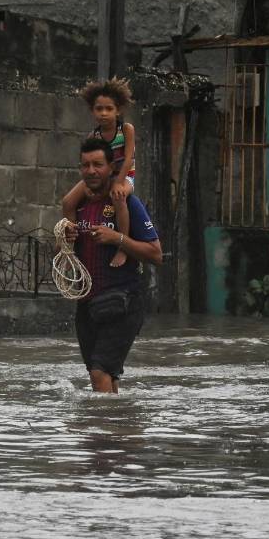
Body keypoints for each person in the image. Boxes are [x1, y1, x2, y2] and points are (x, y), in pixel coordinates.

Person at [64, 137, 163, 393]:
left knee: (100, 372)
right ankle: (116, 429)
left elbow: (155, 253)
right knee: (104, 375)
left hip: (123, 300)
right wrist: (64, 240)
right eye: (85, 165)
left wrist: (117, 238)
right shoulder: (79, 205)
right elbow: (61, 252)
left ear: (111, 168)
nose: (91, 171)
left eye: (98, 164)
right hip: (87, 303)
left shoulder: (127, 203)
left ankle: (103, 429)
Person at [62, 78, 138, 268]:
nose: (104, 113)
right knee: (68, 201)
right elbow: (91, 165)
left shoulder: (126, 129)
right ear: (92, 110)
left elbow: (129, 158)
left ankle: (123, 245)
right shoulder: (93, 136)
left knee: (118, 197)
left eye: (109, 109)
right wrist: (88, 186)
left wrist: (120, 182)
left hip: (124, 175)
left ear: (118, 110)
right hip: (104, 176)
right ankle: (70, 244)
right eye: (99, 109)